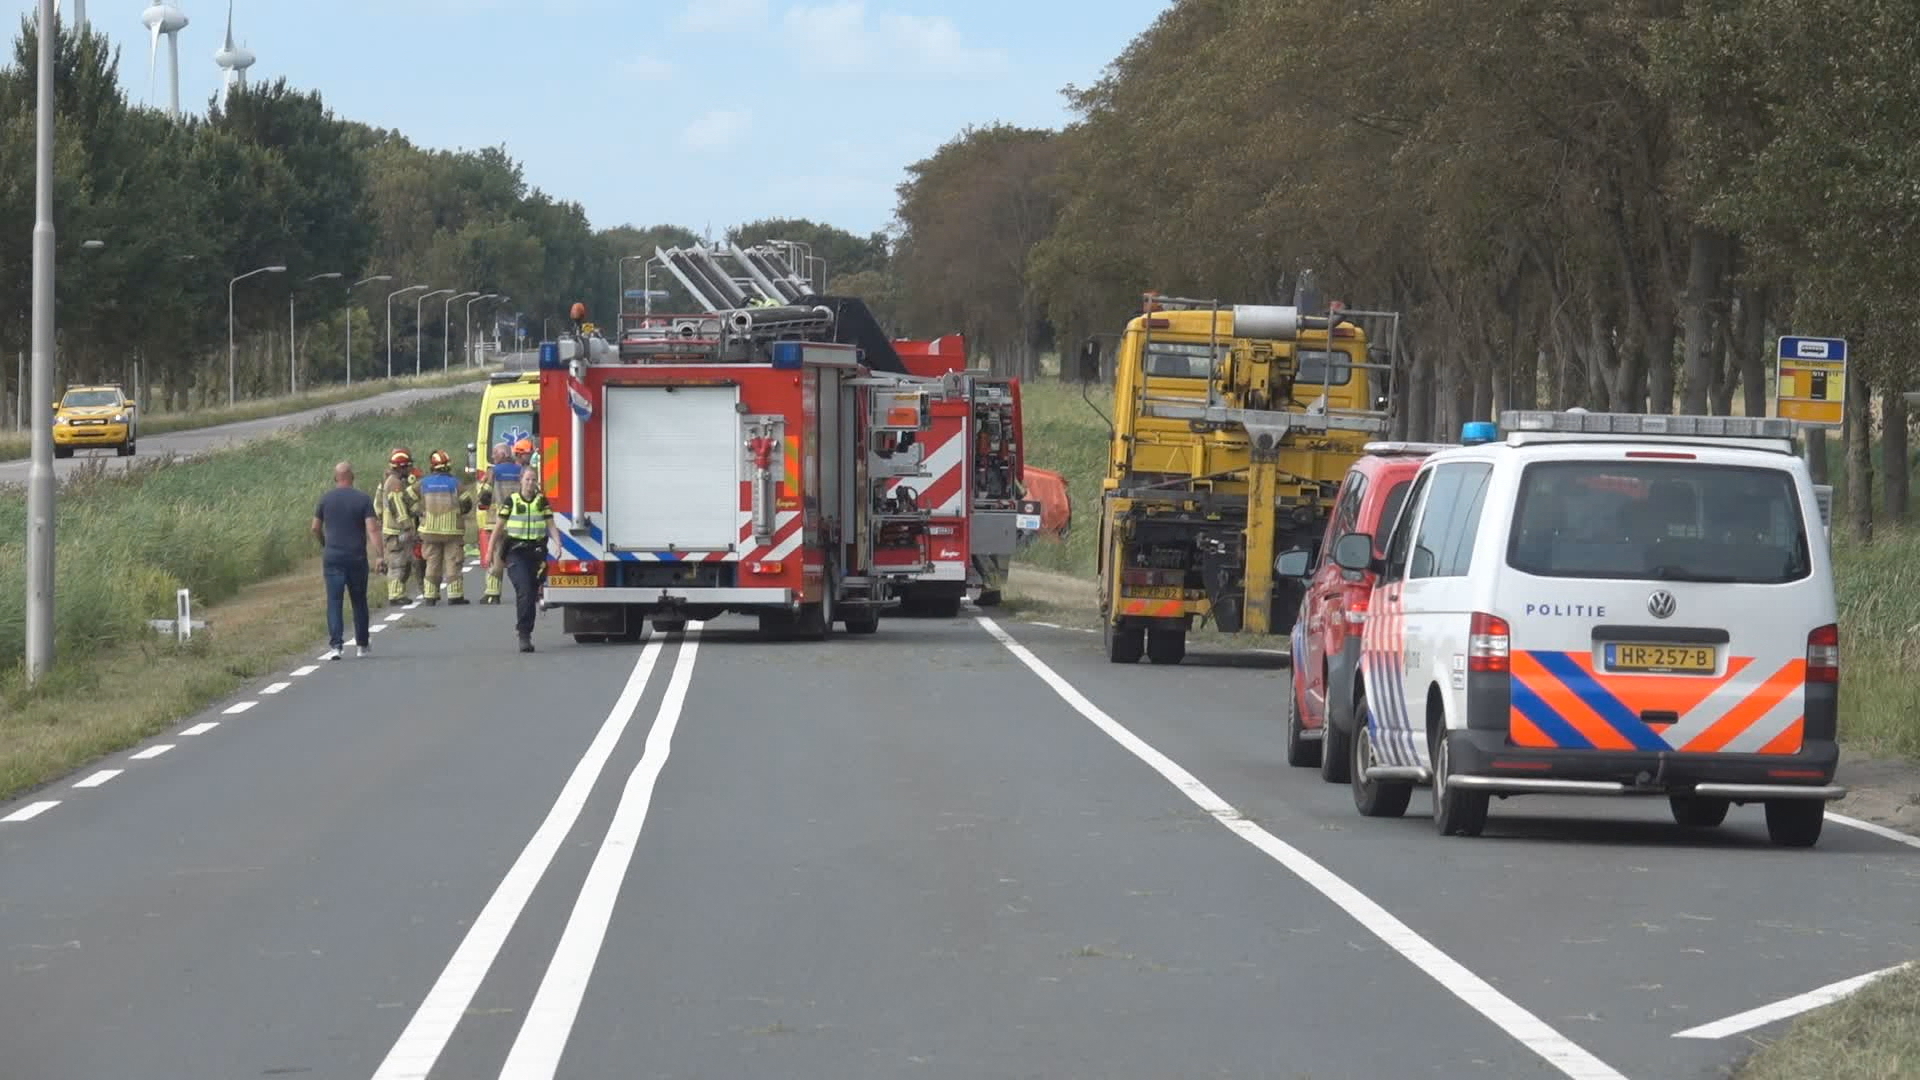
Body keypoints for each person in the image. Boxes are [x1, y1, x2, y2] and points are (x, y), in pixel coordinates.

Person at [311, 461, 386, 660]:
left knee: (334, 601)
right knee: (359, 600)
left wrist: (324, 544)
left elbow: (315, 527)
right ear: (352, 477)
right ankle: (362, 644)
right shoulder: (362, 499)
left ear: (336, 478)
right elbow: (372, 528)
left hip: (333, 557)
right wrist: (380, 555)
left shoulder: (325, 499)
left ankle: (336, 645)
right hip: (356, 557)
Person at [490, 445, 553, 653]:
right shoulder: (512, 501)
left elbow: (551, 525)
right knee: (524, 590)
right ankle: (523, 634)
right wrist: (490, 552)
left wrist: (559, 544)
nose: (530, 483)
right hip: (515, 551)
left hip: (536, 552)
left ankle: (527, 631)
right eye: (527, 479)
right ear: (521, 481)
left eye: (533, 480)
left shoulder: (541, 501)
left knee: (532, 591)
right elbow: (498, 528)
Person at [418, 450, 474, 605]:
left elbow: (408, 497)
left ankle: (430, 596)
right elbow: (467, 502)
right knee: (453, 561)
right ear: (448, 466)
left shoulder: (423, 483)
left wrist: (420, 512)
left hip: (429, 531)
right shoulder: (455, 483)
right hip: (452, 531)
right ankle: (455, 595)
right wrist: (459, 512)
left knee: (432, 562)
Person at [380, 449, 421, 602]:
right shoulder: (394, 484)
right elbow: (398, 507)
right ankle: (396, 595)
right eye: (408, 466)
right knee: (397, 563)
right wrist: (408, 526)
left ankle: (399, 593)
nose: (410, 469)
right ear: (401, 467)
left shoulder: (393, 481)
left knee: (404, 562)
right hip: (396, 531)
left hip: (396, 530)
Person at [480, 443, 517, 605]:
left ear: (502, 455)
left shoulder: (493, 471)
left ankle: (493, 594)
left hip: (498, 523)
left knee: (497, 558)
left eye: (495, 454)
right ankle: (530, 592)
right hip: (519, 523)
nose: (493, 457)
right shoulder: (521, 471)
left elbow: (485, 496)